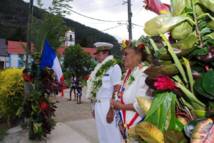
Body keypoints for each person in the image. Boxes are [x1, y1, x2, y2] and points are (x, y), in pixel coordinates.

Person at [110, 41, 149, 142]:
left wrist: (121, 106)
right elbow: (120, 96)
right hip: (127, 130)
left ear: (138, 56)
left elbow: (143, 105)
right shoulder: (128, 74)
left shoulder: (145, 73)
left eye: (126, 54)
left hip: (139, 131)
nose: (123, 57)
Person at [86, 42, 122, 143]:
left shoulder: (114, 67)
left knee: (112, 135)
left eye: (98, 54)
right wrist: (93, 107)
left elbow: (117, 89)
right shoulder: (98, 69)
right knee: (102, 135)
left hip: (108, 105)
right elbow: (94, 90)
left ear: (105, 53)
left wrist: (112, 110)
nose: (96, 56)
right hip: (98, 105)